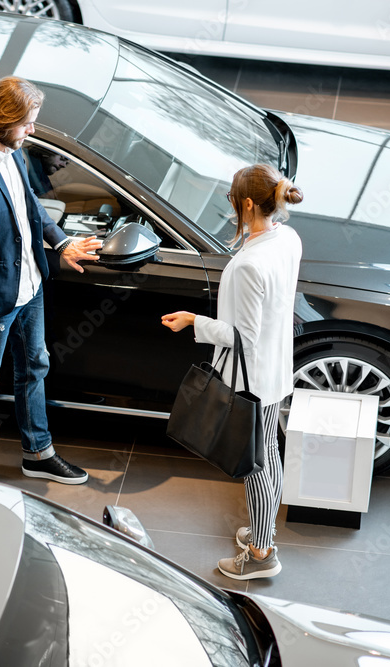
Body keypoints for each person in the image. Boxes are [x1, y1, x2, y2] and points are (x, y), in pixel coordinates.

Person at [0, 76, 102, 483]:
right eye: (28, 122)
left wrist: (62, 242)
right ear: (4, 120)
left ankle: (38, 453)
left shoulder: (12, 151)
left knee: (34, 367)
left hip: (30, 286)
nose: (33, 129)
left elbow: (29, 205)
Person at [161, 163, 303, 580]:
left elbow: (242, 336)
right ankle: (262, 532)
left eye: (229, 199)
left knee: (254, 465)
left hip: (252, 380)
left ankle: (261, 553)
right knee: (269, 454)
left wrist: (192, 321)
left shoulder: (247, 266)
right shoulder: (288, 238)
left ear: (245, 204)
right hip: (277, 369)